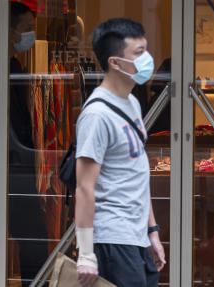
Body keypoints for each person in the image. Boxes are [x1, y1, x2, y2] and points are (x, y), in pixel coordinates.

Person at [74, 18, 166, 287]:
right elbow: (84, 188)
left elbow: (137, 173)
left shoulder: (133, 104)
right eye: (138, 53)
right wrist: (87, 253)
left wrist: (152, 232)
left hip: (136, 237)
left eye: (146, 50)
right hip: (112, 237)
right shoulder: (97, 115)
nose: (147, 59)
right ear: (115, 62)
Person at [7, 1, 47, 284]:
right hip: (14, 164)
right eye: (26, 29)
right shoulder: (5, 69)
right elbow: (15, 123)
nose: (30, 36)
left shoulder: (14, 66)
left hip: (18, 162)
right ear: (9, 31)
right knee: (33, 236)